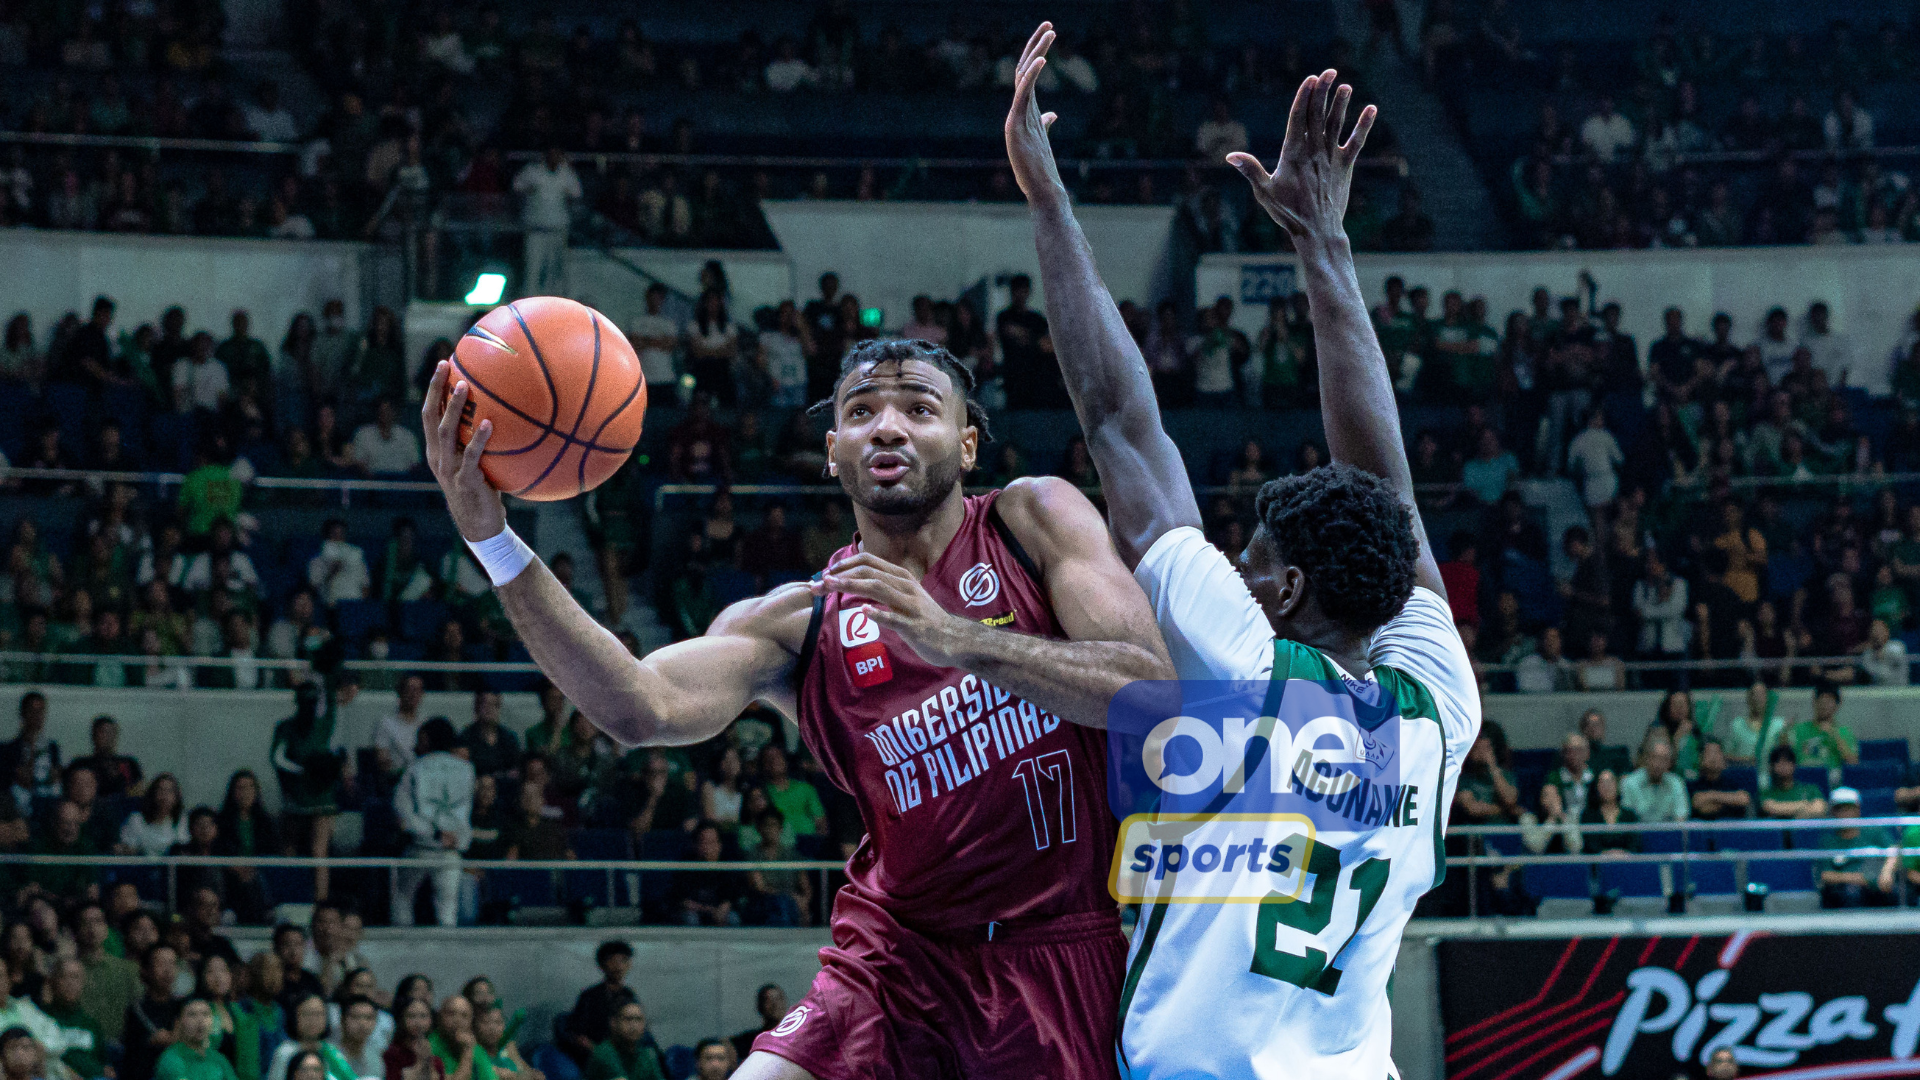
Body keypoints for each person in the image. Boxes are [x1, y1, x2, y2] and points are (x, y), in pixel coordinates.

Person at [424, 119, 1171, 1080]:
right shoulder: (799, 620)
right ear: (832, 454)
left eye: (918, 407)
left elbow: (1151, 690)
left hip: (1061, 951)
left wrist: (960, 641)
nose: (887, 426)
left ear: (969, 445)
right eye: (861, 413)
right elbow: (638, 707)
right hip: (893, 959)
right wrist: (491, 534)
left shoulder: (1035, 519)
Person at [1010, 47, 1477, 1078]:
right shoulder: (1438, 710)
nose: (1235, 566)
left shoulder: (1244, 671)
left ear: (1288, 589)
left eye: (1252, 557)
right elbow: (1388, 499)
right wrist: (1325, 249)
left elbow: (1123, 425)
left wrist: (1050, 205)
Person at [392, 718, 474, 928]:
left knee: (402, 899)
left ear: (426, 740)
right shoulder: (467, 770)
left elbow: (403, 813)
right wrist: (454, 837)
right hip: (451, 850)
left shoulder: (414, 768)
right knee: (447, 911)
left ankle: (403, 949)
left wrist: (432, 834)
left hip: (422, 848)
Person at [1816, 788, 1895, 908]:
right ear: (1833, 812)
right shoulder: (1827, 841)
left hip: (1877, 885)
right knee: (1852, 893)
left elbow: (1893, 851)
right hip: (1846, 890)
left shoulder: (1875, 832)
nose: (1845, 814)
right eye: (1840, 810)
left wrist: (1886, 872)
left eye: (1849, 809)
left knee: (1896, 891)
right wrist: (1860, 879)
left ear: (1858, 810)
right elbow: (1826, 875)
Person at [562, 944, 634, 1067]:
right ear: (601, 965)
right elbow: (578, 1036)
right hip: (595, 1058)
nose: (619, 966)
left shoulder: (629, 996)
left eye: (623, 961)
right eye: (613, 961)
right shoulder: (589, 996)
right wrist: (600, 1053)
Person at [124, 944, 183, 1080]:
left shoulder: (183, 1007)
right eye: (161, 964)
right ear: (146, 970)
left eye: (172, 963)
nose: (168, 970)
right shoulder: (137, 1010)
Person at [156, 999, 239, 1080]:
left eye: (205, 1014)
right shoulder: (171, 1059)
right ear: (179, 1022)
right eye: (192, 1015)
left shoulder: (219, 1059)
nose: (200, 1020)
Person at [583, 1002, 662, 1080]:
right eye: (628, 1019)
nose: (634, 1025)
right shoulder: (604, 1053)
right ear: (613, 1023)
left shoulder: (646, 1054)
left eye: (638, 1019)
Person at [1688, 740, 1751, 821]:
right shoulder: (1692, 784)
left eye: (1717, 753)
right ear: (1700, 758)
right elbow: (1698, 804)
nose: (1713, 758)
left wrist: (1709, 796)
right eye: (1709, 753)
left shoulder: (1734, 780)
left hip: (1733, 829)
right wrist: (1729, 800)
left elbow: (1743, 799)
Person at [1759, 745, 1827, 819]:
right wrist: (1803, 805)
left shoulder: (1810, 789)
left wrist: (1785, 809)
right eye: (1778, 762)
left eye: (1787, 761)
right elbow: (1770, 807)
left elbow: (1819, 808)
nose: (1783, 765)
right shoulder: (1766, 793)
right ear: (1771, 767)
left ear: (1794, 765)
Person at [729, 986, 786, 1064]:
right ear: (760, 1006)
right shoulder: (749, 1040)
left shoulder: (796, 1038)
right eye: (769, 1000)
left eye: (778, 999)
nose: (774, 1004)